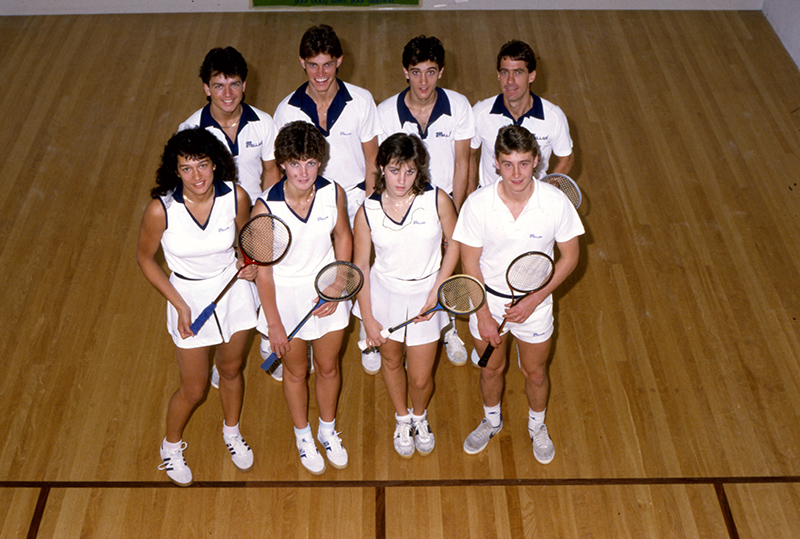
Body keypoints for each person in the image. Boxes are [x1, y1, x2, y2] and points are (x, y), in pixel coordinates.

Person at [453, 125, 583, 464]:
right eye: (508, 164)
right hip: (486, 300)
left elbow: (570, 257)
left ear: (537, 161)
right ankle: (491, 421)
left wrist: (535, 299)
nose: (516, 173)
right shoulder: (477, 205)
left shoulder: (554, 203)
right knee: (490, 370)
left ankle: (537, 427)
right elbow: (469, 262)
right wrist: (482, 314)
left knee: (535, 372)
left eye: (524, 164)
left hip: (535, 303)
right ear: (495, 163)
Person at [137, 127, 257, 487]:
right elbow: (145, 258)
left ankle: (232, 432)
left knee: (232, 370)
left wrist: (246, 262)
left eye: (203, 165)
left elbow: (246, 239)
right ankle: (170, 445)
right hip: (187, 298)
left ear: (215, 164)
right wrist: (179, 304)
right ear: (175, 171)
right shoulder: (161, 210)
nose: (197, 176)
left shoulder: (236, 196)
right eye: (187, 168)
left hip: (232, 292)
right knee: (194, 389)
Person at [273, 24, 383, 375]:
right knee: (304, 267)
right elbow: (281, 168)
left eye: (327, 64)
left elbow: (372, 160)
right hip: (307, 199)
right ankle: (299, 337)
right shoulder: (287, 110)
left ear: (339, 61)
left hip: (352, 195)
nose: (321, 73)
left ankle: (367, 330)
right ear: (302, 64)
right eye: (313, 65)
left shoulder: (362, 100)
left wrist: (369, 205)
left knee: (360, 266)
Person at [253, 121, 352, 475]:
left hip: (327, 290)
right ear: (282, 163)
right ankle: (303, 435)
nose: (303, 171)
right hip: (286, 296)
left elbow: (342, 236)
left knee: (328, 367)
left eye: (311, 163)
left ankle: (327, 429)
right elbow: (263, 272)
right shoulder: (265, 208)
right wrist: (274, 326)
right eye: (295, 163)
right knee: (296, 372)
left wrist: (338, 283)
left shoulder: (333, 193)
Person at [353, 133, 459, 458]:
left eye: (410, 171)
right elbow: (360, 267)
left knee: (421, 376)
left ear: (419, 171)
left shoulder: (438, 199)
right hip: (386, 293)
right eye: (395, 170)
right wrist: (368, 318)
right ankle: (402, 418)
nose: (402, 179)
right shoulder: (366, 211)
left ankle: (420, 415)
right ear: (381, 167)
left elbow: (455, 243)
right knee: (390, 360)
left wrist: (438, 288)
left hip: (427, 293)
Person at [376, 35, 474, 367]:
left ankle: (447, 328)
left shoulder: (459, 106)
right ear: (405, 71)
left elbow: (463, 164)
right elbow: (385, 166)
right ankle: (388, 336)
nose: (423, 81)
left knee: (443, 270)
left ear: (441, 72)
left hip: (442, 205)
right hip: (401, 203)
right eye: (416, 72)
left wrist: (454, 219)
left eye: (431, 72)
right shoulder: (386, 111)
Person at [179, 46, 280, 205]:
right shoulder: (190, 130)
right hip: (212, 214)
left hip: (254, 209)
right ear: (207, 88)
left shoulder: (264, 123)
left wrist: (266, 212)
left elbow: (271, 171)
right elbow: (186, 183)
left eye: (234, 84)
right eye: (219, 86)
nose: (228, 94)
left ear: (244, 86)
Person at [469, 40, 574, 192]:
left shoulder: (554, 117)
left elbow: (567, 158)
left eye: (518, 72)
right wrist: (471, 196)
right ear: (498, 75)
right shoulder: (480, 113)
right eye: (505, 72)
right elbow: (468, 155)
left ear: (531, 76)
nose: (510, 81)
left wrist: (549, 188)